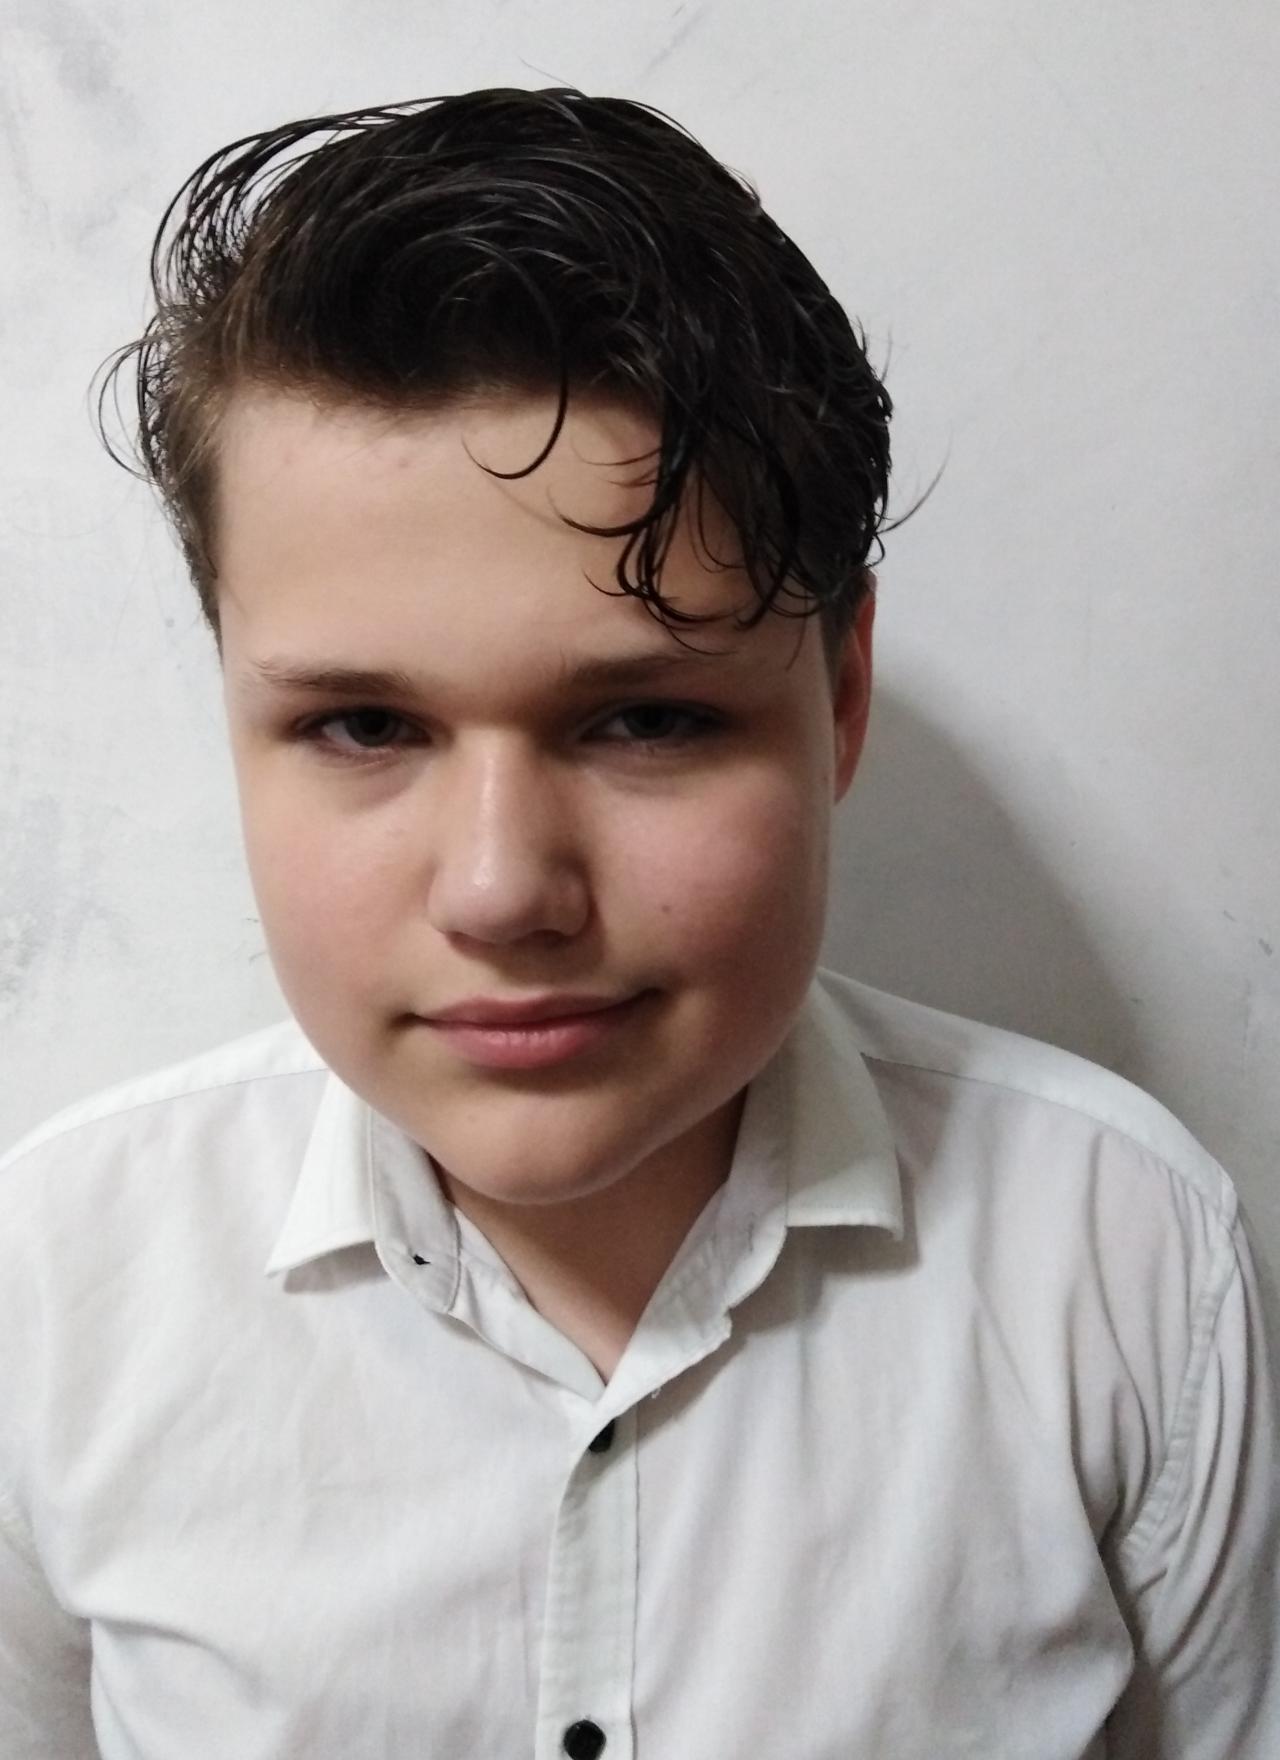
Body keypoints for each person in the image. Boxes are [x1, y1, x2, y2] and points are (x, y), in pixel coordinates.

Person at [0, 87, 1274, 1760]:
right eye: (364, 726)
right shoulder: (57, 1282)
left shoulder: (1124, 1258)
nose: (500, 891)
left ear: (840, 698)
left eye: (648, 721)